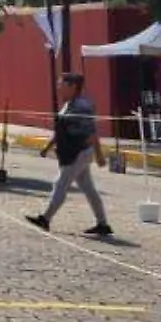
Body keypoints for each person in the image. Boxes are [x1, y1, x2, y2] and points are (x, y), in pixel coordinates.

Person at [26, 73, 113, 237]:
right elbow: (61, 130)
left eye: (62, 84)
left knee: (60, 183)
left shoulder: (82, 106)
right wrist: (48, 146)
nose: (59, 86)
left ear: (73, 86)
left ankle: (45, 218)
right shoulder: (68, 104)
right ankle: (103, 224)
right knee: (88, 188)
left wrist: (99, 155)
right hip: (72, 152)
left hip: (78, 152)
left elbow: (91, 132)